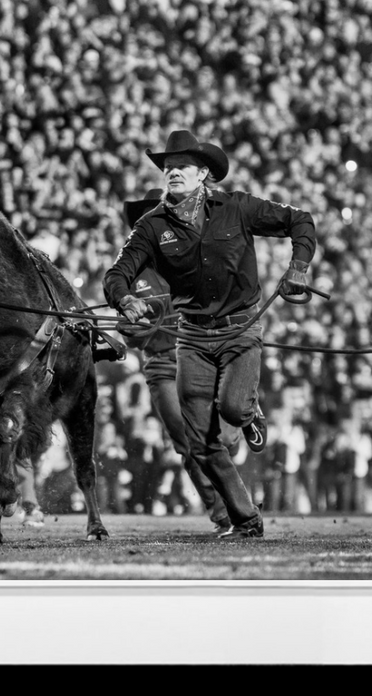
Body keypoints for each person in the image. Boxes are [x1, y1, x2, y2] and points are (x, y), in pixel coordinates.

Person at [105, 129, 317, 539]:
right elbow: (117, 274)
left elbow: (299, 220)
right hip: (193, 338)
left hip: (241, 328)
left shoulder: (238, 207)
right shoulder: (151, 227)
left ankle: (250, 411)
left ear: (203, 173)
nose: (172, 173)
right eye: (167, 168)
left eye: (180, 166)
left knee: (234, 410)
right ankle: (245, 519)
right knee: (200, 442)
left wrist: (299, 268)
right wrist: (124, 300)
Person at [119, 188, 235, 534]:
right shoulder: (130, 275)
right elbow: (132, 335)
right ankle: (223, 514)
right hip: (163, 364)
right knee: (187, 443)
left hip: (202, 353)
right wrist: (133, 325)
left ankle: (245, 414)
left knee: (223, 430)